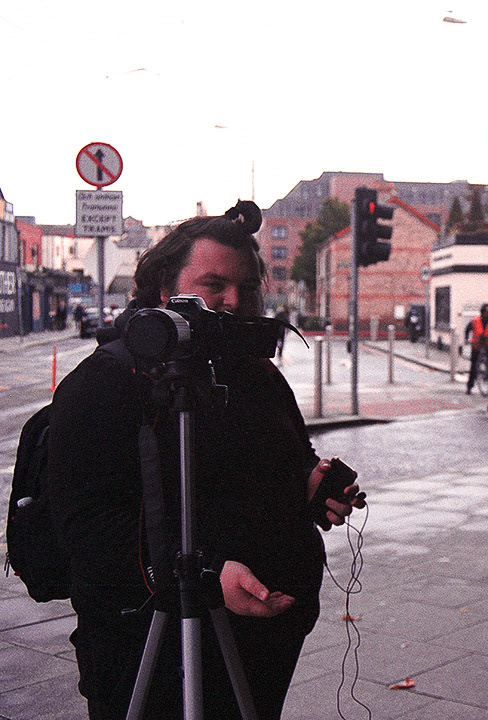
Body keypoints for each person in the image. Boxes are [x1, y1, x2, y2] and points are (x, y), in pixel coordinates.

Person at [48, 201, 362, 720]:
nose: (235, 301)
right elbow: (86, 525)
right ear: (166, 289)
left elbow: (291, 455)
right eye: (214, 284)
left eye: (247, 286)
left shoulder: (258, 374)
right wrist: (206, 578)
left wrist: (311, 486)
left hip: (266, 635)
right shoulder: (106, 381)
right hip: (152, 639)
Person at [464, 303, 488, 394]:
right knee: (473, 366)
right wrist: (466, 339)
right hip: (476, 345)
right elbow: (467, 329)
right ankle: (469, 387)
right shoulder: (475, 321)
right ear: (483, 313)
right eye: (487, 312)